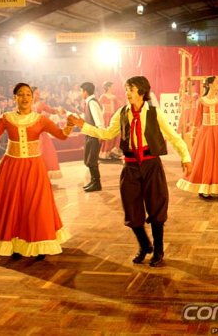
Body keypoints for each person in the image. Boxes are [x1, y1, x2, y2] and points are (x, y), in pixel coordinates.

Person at [68, 76, 192, 267]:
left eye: (131, 90)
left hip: (151, 165)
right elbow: (107, 133)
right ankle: (144, 244)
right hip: (131, 166)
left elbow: (173, 136)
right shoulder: (122, 113)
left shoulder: (154, 113)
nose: (127, 93)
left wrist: (186, 157)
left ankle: (158, 250)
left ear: (142, 92)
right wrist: (82, 125)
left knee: (157, 207)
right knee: (131, 209)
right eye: (126, 89)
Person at [0, 83, 74, 259]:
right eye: (20, 94)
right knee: (13, 206)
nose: (25, 97)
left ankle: (39, 243)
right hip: (11, 167)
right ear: (14, 98)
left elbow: (62, 135)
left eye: (28, 94)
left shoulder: (41, 119)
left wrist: (70, 125)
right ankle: (14, 243)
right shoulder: (6, 118)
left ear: (33, 98)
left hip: (34, 167)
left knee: (36, 205)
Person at [33, 87, 64, 179]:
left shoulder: (40, 104)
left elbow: (51, 110)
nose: (39, 95)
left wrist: (58, 110)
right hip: (29, 130)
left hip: (39, 130)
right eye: (36, 93)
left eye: (39, 93)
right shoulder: (25, 103)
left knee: (45, 151)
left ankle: (43, 173)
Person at [80, 82, 104, 192]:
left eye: (81, 91)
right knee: (90, 159)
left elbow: (98, 119)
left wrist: (100, 134)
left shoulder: (92, 103)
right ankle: (93, 181)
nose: (81, 93)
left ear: (85, 92)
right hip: (90, 134)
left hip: (94, 135)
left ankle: (96, 183)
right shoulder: (89, 102)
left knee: (92, 159)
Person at [99, 81, 122, 159]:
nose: (113, 88)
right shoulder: (103, 96)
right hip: (106, 116)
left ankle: (112, 152)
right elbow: (98, 106)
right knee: (108, 134)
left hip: (113, 116)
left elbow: (120, 106)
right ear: (108, 87)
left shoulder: (114, 97)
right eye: (112, 86)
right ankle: (105, 153)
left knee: (115, 134)